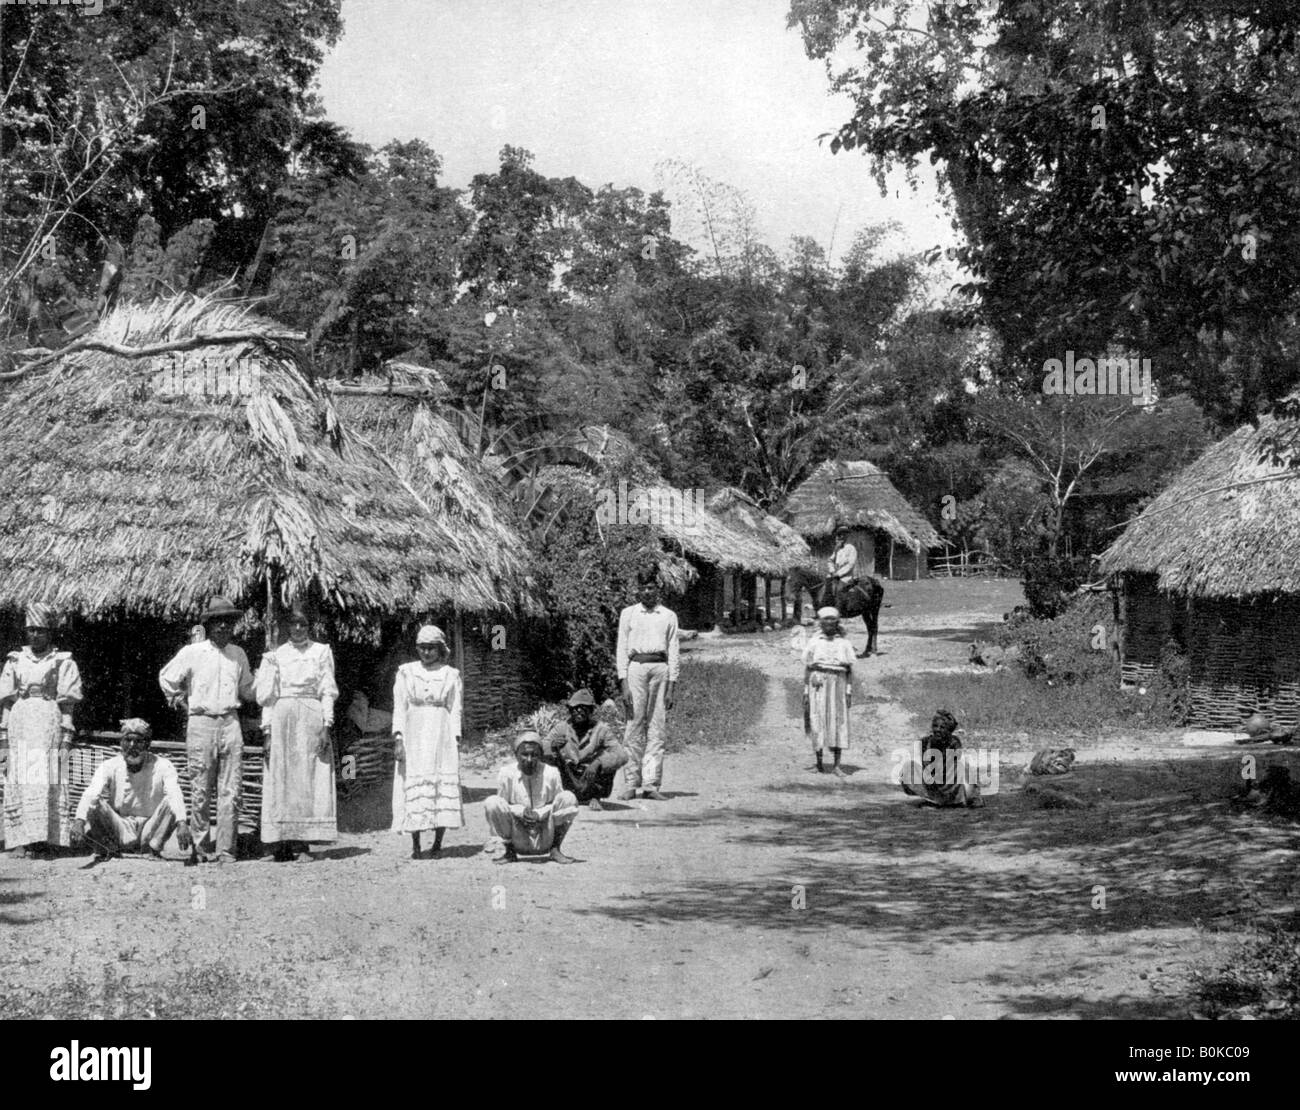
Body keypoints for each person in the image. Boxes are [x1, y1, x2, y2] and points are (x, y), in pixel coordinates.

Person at [158, 596, 255, 864]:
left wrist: (270, 683)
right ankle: (200, 847)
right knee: (200, 787)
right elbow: (166, 677)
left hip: (230, 721)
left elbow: (247, 689)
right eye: (218, 622)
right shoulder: (193, 652)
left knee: (231, 789)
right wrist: (178, 699)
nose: (223, 627)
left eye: (228, 622)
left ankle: (226, 849)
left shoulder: (238, 654)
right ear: (209, 625)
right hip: (201, 722)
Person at [256, 605, 339, 862]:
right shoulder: (275, 656)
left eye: (303, 624)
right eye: (294, 624)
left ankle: (302, 845)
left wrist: (326, 725)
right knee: (281, 777)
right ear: (286, 627)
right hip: (283, 716)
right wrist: (267, 731)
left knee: (307, 777)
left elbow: (327, 690)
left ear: (310, 626)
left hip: (311, 715)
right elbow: (268, 698)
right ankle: (280, 845)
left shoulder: (321, 651)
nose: (299, 629)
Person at [0, 603, 83, 857]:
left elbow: (67, 705)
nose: (35, 635)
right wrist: (3, 737)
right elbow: (7, 702)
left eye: (40, 630)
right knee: (21, 777)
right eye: (31, 630)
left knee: (45, 777)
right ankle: (22, 840)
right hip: (21, 721)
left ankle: (45, 841)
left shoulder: (62, 661)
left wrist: (67, 735)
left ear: (50, 633)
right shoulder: (16, 660)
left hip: (47, 720)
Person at [71, 718, 193, 861]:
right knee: (95, 802)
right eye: (128, 740)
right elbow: (92, 792)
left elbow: (174, 793)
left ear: (147, 744)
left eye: (139, 741)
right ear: (121, 743)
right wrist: (79, 821)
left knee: (171, 800)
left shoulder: (163, 765)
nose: (132, 746)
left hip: (150, 828)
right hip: (120, 827)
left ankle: (153, 848)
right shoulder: (110, 765)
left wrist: (182, 822)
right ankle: (110, 849)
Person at [391, 624, 464, 860]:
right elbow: (399, 708)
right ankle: (415, 844)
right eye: (422, 648)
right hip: (415, 732)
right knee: (414, 779)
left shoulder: (450, 674)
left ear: (440, 649)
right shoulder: (406, 672)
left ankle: (437, 843)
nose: (426, 653)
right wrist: (399, 738)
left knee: (440, 782)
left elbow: (455, 710)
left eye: (431, 648)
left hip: (440, 733)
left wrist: (455, 739)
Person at [615, 569, 679, 801]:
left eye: (651, 587)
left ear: (657, 589)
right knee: (634, 725)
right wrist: (623, 681)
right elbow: (621, 648)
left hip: (660, 670)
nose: (647, 592)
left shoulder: (668, 616)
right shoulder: (628, 614)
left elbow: (673, 651)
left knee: (656, 728)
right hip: (636, 669)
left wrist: (672, 685)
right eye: (643, 588)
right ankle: (631, 783)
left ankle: (651, 784)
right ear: (638, 590)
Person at [484, 730, 578, 864]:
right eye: (524, 754)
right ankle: (509, 852)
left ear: (540, 755)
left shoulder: (551, 773)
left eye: (534, 755)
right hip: (518, 836)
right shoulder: (506, 773)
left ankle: (555, 850)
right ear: (516, 755)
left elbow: (558, 804)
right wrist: (521, 811)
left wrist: (539, 814)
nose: (529, 759)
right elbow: (502, 806)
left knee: (568, 797)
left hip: (545, 834)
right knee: (492, 802)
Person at [544, 689, 628, 809]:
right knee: (549, 759)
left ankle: (595, 796)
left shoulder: (601, 729)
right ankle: (558, 795)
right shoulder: (562, 727)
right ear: (570, 710)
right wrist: (552, 746)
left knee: (608, 763)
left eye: (583, 707)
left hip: (591, 780)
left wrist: (599, 762)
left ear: (591, 711)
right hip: (568, 778)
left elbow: (622, 755)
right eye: (575, 707)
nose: (579, 711)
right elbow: (540, 747)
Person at [803, 607, 855, 776]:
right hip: (817, 684)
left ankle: (837, 765)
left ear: (837, 623)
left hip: (838, 683)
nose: (829, 624)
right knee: (817, 719)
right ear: (820, 623)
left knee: (837, 720)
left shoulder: (844, 644)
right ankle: (818, 762)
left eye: (832, 620)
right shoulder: (814, 642)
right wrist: (805, 690)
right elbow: (808, 667)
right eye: (825, 620)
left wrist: (848, 690)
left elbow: (849, 671)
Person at [899, 710, 984, 808]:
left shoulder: (954, 742)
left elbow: (951, 765)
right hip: (932, 781)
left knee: (963, 767)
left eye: (942, 727)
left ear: (949, 731)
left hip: (949, 781)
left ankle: (964, 799)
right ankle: (934, 800)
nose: (937, 730)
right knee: (908, 768)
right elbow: (927, 766)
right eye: (935, 726)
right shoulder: (925, 742)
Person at [826, 528, 858, 611]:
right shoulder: (837, 549)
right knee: (825, 586)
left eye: (843, 534)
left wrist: (839, 574)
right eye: (840, 535)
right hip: (834, 575)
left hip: (846, 576)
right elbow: (830, 560)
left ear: (847, 536)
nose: (841, 537)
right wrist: (832, 571)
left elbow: (851, 564)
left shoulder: (851, 548)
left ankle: (838, 611)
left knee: (839, 589)